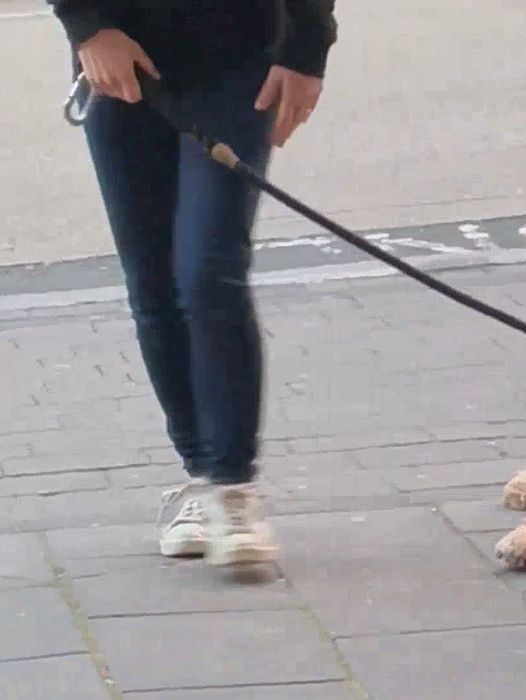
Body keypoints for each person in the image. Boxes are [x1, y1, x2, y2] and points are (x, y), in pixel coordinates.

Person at [48, 0, 337, 566]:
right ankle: (202, 476)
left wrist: (307, 49)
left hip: (239, 57)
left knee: (209, 271)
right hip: (119, 54)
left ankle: (232, 488)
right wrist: (87, 26)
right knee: (152, 283)